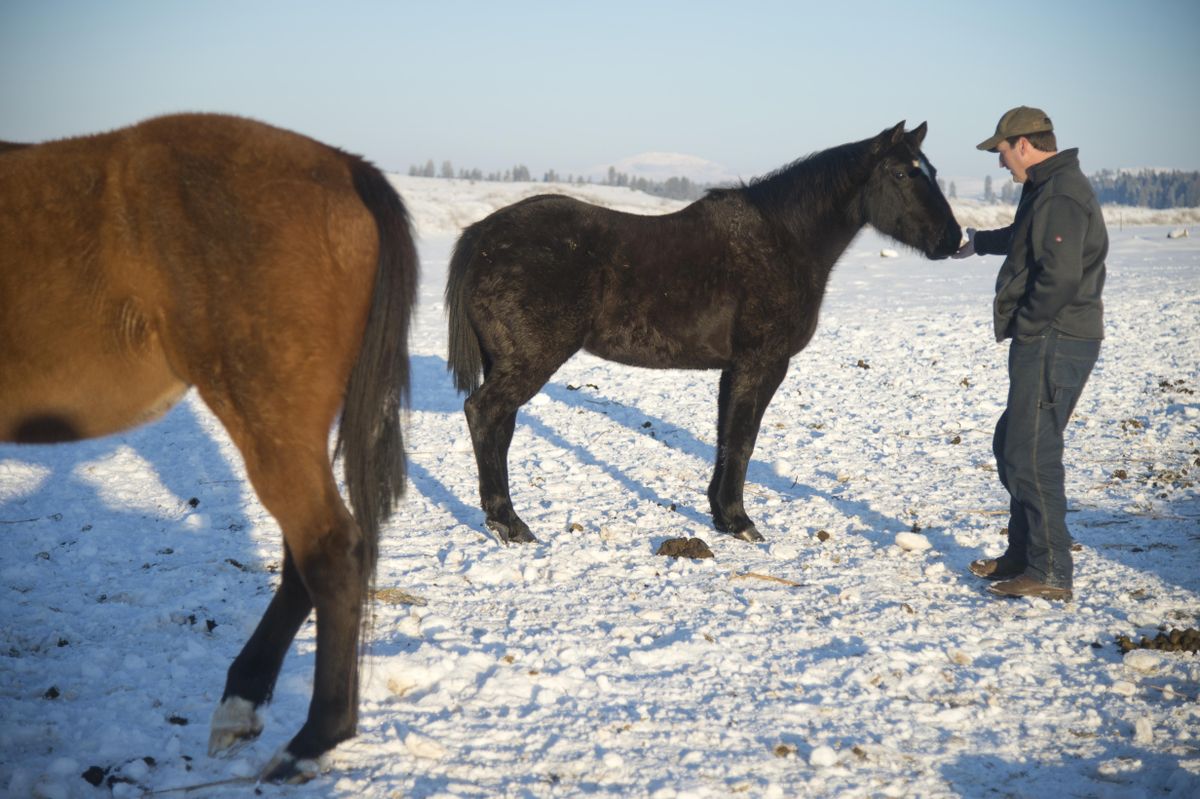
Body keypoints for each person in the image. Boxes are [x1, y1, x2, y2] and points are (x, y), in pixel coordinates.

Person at [953, 106, 1107, 601]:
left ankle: (1050, 570)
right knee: (1013, 443)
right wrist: (978, 242)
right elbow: (1027, 243)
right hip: (1050, 337)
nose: (1000, 163)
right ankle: (1024, 554)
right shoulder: (1045, 187)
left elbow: (1059, 277)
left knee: (1031, 452)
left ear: (1023, 143)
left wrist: (1031, 324)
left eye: (1001, 151)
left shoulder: (1060, 194)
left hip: (1056, 338)